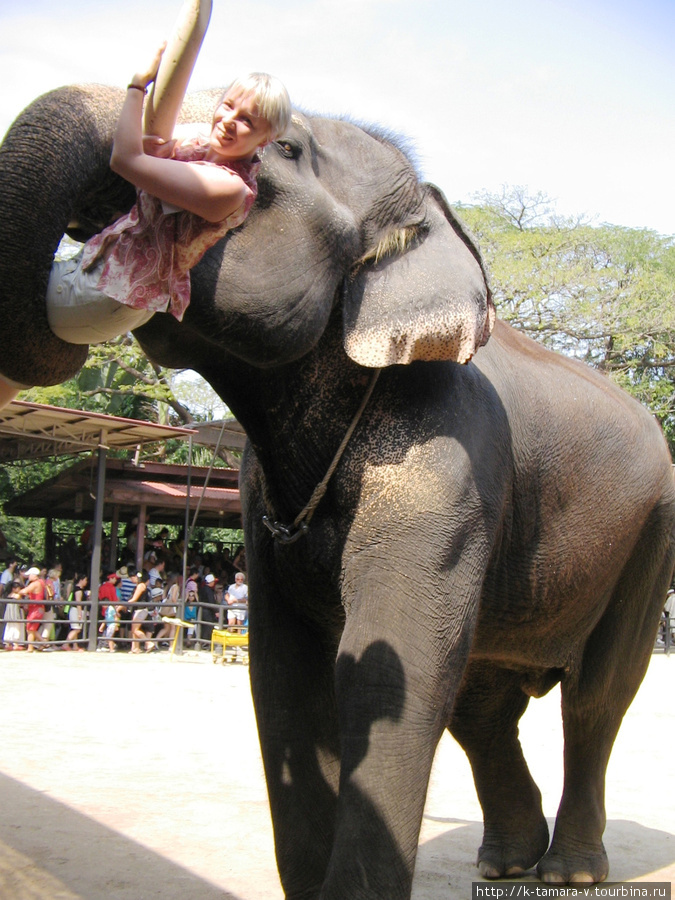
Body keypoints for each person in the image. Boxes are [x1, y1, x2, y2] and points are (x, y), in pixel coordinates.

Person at [19, 567, 48, 652]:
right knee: (32, 628)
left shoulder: (35, 583)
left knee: (30, 628)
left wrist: (17, 593)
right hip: (38, 608)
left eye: (29, 575)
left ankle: (30, 647)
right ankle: (43, 642)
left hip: (35, 608)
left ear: (34, 575)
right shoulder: (41, 582)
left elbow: (25, 591)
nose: (28, 577)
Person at [65, 573, 88, 651]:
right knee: (77, 629)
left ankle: (75, 645)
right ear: (81, 580)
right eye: (85, 580)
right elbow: (78, 602)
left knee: (75, 628)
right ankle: (66, 644)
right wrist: (79, 613)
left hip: (75, 610)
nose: (86, 582)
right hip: (76, 610)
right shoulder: (78, 590)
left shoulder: (77, 589)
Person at [2, 580, 26, 650]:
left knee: (10, 626)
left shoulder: (9, 595)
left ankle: (8, 643)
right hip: (15, 612)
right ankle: (15, 643)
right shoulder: (16, 595)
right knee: (16, 626)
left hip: (10, 612)